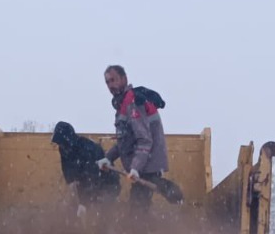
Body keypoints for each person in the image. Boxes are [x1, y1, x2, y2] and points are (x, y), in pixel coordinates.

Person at [99, 65, 181, 207]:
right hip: (141, 168)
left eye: (114, 80)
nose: (111, 85)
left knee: (137, 209)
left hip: (147, 167)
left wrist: (135, 168)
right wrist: (109, 157)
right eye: (107, 82)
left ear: (124, 79)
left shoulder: (133, 102)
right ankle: (169, 191)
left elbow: (144, 140)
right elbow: (125, 141)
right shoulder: (122, 105)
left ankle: (171, 191)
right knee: (139, 208)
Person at [51, 121, 121, 201]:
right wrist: (71, 183)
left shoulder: (87, 149)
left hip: (106, 184)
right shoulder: (65, 150)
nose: (61, 146)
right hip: (88, 184)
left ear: (67, 141)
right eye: (59, 144)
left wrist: (84, 202)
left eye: (62, 143)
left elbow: (92, 177)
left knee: (99, 204)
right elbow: (67, 171)